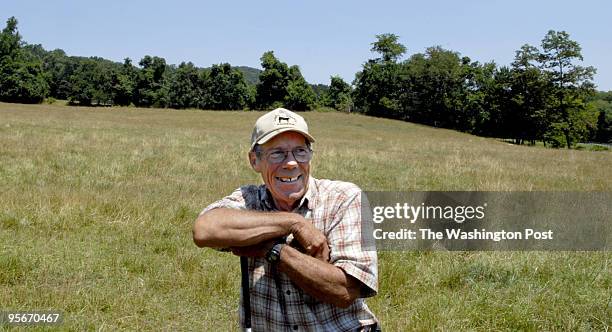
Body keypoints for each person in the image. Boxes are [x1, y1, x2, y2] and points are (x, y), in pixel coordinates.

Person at [193, 108, 379, 331]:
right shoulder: (249, 199)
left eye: (300, 151)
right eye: (277, 153)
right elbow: (204, 230)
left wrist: (274, 250)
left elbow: (345, 291)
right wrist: (294, 222)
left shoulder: (344, 198)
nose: (291, 163)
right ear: (255, 161)